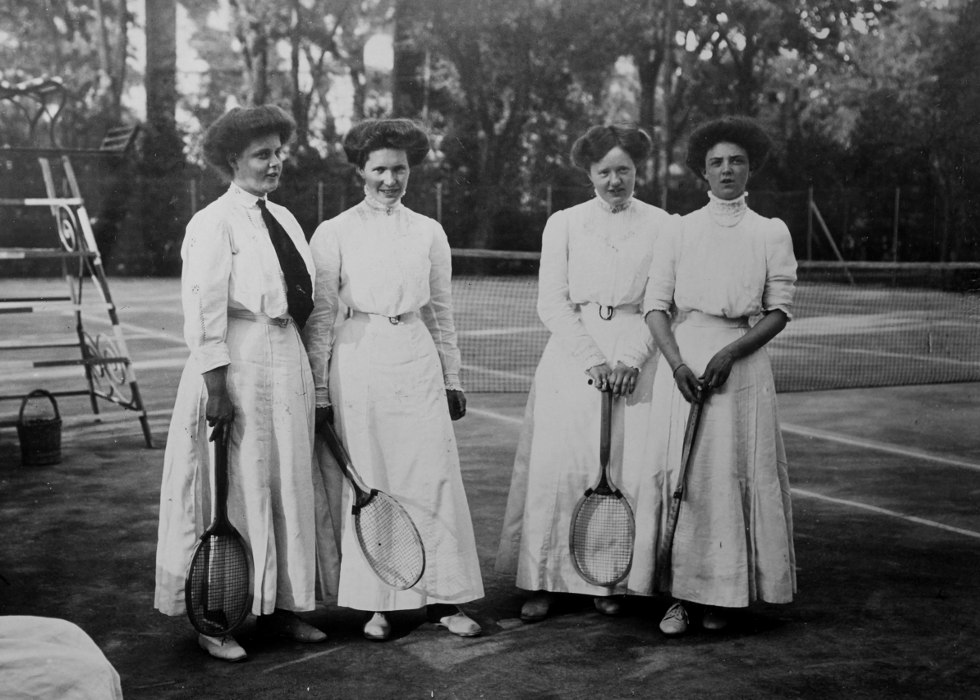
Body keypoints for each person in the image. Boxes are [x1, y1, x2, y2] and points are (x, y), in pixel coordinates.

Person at [154, 105, 334, 662]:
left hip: (286, 361)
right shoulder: (212, 221)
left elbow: (306, 302)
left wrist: (313, 381)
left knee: (283, 484)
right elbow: (203, 308)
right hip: (235, 363)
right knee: (230, 489)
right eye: (262, 154)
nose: (274, 162)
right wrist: (215, 386)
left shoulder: (284, 219)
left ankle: (281, 607)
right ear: (232, 161)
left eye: (279, 152)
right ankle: (216, 617)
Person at [303, 118, 484, 641]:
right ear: (360, 169)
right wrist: (318, 388)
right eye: (379, 168)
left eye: (399, 168)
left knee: (433, 476)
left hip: (417, 360)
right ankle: (379, 603)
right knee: (372, 478)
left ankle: (444, 601)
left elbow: (442, 312)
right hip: (359, 365)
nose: (390, 178)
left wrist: (453, 375)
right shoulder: (333, 231)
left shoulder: (429, 230)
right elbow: (321, 319)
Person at [495, 124, 675, 622]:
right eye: (604, 171)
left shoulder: (664, 224)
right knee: (560, 466)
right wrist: (592, 359)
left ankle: (609, 577)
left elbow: (664, 301)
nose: (614, 180)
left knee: (625, 468)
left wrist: (631, 360)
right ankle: (544, 581)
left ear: (638, 171)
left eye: (624, 170)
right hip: (573, 357)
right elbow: (552, 302)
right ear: (589, 173)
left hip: (639, 355)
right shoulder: (565, 223)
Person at [643, 115, 797, 636]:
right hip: (685, 365)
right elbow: (655, 306)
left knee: (730, 478)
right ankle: (680, 598)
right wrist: (678, 363)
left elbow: (778, 310)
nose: (726, 169)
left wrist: (732, 352)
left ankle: (724, 598)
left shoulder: (770, 232)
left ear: (750, 168)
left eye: (736, 160)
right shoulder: (678, 229)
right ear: (702, 173)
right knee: (685, 477)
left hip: (743, 367)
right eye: (716, 162)